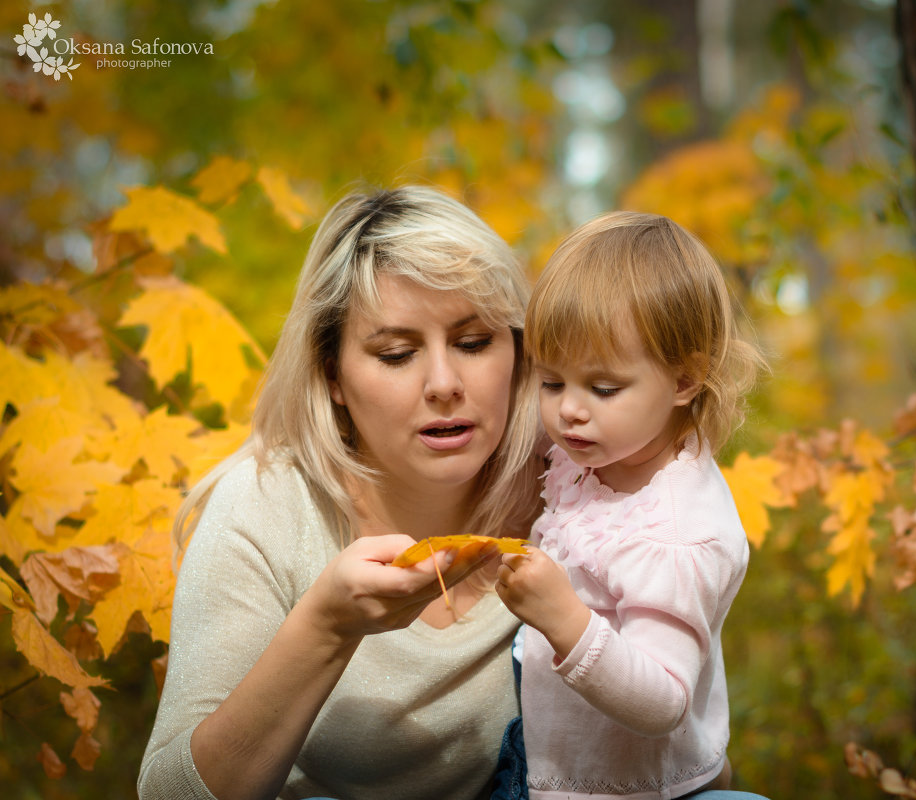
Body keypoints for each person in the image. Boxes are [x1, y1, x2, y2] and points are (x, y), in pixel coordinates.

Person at [138, 185, 545, 800]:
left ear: (516, 349)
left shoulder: (568, 491)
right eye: (396, 353)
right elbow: (170, 792)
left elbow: (684, 749)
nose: (443, 383)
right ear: (332, 375)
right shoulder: (264, 504)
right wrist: (327, 627)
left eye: (472, 343)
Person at [495, 211, 768, 799]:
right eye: (551, 382)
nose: (568, 410)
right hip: (553, 760)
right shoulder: (602, 447)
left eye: (603, 387)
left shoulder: (675, 533)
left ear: (685, 380)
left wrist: (563, 618)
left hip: (625, 789)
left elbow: (663, 699)